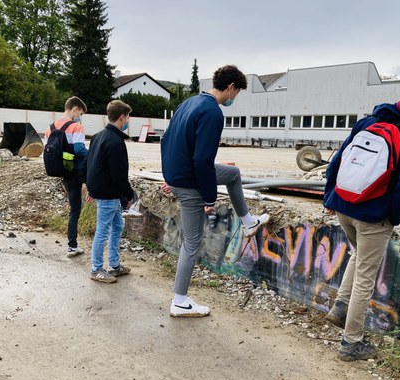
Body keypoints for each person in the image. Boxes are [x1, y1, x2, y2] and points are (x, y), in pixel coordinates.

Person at [323, 92, 400, 361]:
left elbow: (338, 161)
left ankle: (340, 306)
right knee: (366, 276)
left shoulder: (369, 121)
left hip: (344, 206)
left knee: (358, 255)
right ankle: (351, 344)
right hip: (373, 215)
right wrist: (393, 217)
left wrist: (330, 196)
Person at [161, 64, 270, 318]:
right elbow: (202, 159)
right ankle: (179, 301)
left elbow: (167, 141)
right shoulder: (212, 112)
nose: (235, 98)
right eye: (238, 92)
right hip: (190, 181)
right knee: (192, 243)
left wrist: (170, 175)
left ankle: (248, 221)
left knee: (232, 174)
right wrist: (209, 196)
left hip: (179, 176)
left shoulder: (188, 103)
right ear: (231, 87)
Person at [86, 100, 134, 284]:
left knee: (117, 227)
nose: (128, 120)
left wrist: (91, 187)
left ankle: (114, 265)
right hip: (109, 194)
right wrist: (128, 195)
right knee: (103, 231)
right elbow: (119, 174)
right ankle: (96, 269)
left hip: (104, 191)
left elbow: (89, 164)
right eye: (128, 117)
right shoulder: (116, 141)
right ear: (122, 117)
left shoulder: (98, 136)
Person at [45, 96, 89, 258]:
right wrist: (94, 154)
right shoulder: (76, 127)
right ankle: (73, 246)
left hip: (62, 172)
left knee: (73, 208)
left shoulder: (49, 128)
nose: (80, 117)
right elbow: (79, 149)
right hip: (77, 171)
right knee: (77, 208)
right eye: (80, 113)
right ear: (75, 108)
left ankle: (72, 245)